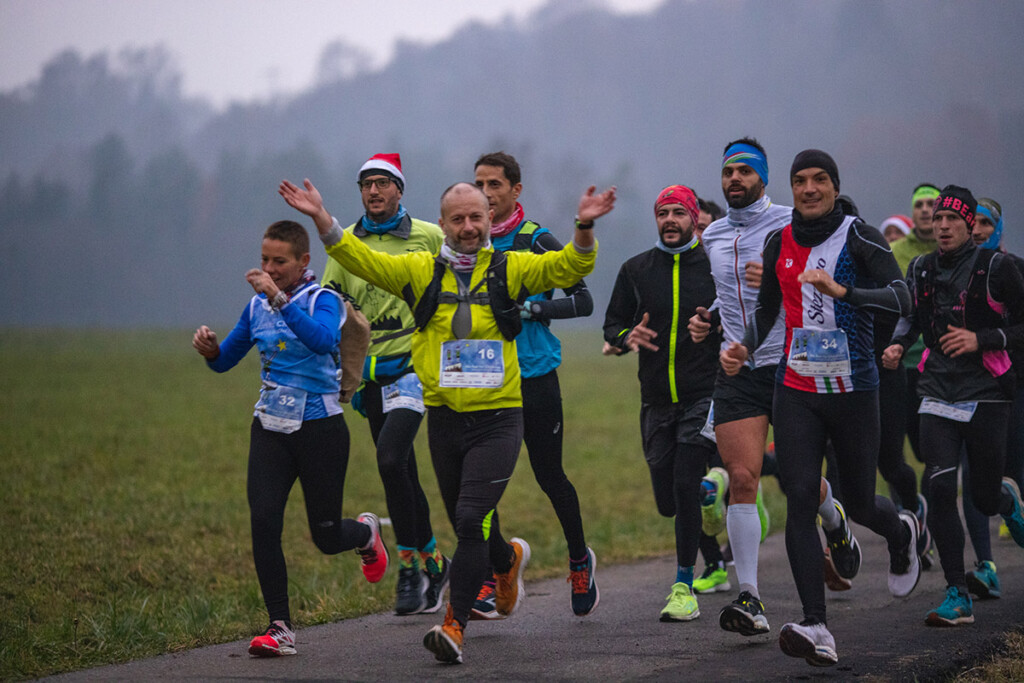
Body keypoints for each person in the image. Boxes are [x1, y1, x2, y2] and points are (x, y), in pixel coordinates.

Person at [279, 177, 615, 665]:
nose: (468, 226)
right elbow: (361, 259)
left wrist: (583, 225)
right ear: (441, 226)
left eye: (477, 217)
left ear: (489, 222)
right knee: (471, 519)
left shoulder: (510, 268)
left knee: (468, 519)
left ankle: (454, 625)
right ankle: (507, 561)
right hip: (444, 419)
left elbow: (572, 264)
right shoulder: (420, 270)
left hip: (499, 417)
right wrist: (321, 218)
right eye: (457, 219)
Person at [721, 149, 919, 666]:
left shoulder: (859, 235)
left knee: (857, 500)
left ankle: (901, 531)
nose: (809, 189)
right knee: (801, 497)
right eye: (800, 181)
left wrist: (843, 290)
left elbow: (901, 298)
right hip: (797, 388)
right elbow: (768, 309)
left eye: (819, 180)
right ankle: (816, 625)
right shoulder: (779, 240)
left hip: (855, 392)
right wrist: (744, 344)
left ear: (834, 186)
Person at [192, 220, 389, 658]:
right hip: (269, 430)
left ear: (303, 262)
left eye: (279, 261)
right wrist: (210, 352)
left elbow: (320, 341)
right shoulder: (255, 307)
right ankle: (279, 627)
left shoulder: (325, 301)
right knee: (264, 521)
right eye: (264, 259)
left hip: (321, 432)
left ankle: (364, 535)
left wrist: (279, 298)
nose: (269, 268)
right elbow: (227, 360)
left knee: (324, 536)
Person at [689, 138, 860, 636]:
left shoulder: (791, 223)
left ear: (763, 177)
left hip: (792, 362)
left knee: (797, 481)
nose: (734, 179)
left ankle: (834, 515)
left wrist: (784, 278)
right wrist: (709, 321)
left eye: (745, 171)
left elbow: (825, 279)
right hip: (738, 367)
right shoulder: (714, 234)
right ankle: (751, 598)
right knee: (740, 478)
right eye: (728, 173)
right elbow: (727, 295)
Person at [884, 186, 1024, 626]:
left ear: (970, 226)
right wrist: (897, 344)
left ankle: (1007, 501)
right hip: (937, 389)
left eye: (953, 219)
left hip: (987, 389)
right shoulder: (921, 268)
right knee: (941, 488)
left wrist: (981, 339)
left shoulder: (997, 268)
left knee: (981, 496)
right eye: (939, 218)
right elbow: (910, 318)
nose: (942, 225)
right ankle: (956, 592)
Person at [321, 153, 450, 616]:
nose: (373, 192)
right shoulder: (347, 244)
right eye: (366, 185)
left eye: (382, 183)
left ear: (400, 189)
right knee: (401, 472)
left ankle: (409, 567)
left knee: (391, 456)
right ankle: (435, 563)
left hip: (415, 367)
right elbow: (332, 302)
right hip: (370, 375)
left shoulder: (429, 237)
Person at [473, 151, 598, 618]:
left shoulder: (537, 239)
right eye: (479, 184)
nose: (486, 194)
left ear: (515, 191)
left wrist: (534, 310)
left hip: (535, 376)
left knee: (550, 477)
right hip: (485, 380)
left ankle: (579, 560)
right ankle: (494, 572)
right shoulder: (469, 241)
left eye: (495, 185)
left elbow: (584, 302)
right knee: (479, 487)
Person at [603, 184, 719, 622]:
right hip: (654, 400)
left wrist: (715, 332)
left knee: (686, 483)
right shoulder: (636, 269)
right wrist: (624, 336)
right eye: (663, 213)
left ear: (693, 218)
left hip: (702, 395)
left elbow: (739, 318)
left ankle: (683, 586)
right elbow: (612, 323)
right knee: (668, 501)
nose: (670, 220)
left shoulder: (712, 267)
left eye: (678, 212)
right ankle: (713, 495)